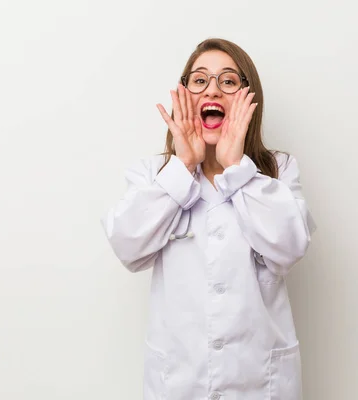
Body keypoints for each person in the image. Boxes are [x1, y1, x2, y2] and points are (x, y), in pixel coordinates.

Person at [101, 38, 316, 400]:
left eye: (229, 81)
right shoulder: (154, 174)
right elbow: (128, 247)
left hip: (259, 384)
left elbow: (289, 248)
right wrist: (183, 166)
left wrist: (236, 167)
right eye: (199, 81)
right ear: (184, 95)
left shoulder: (277, 171)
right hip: (179, 382)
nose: (212, 89)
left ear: (249, 98)